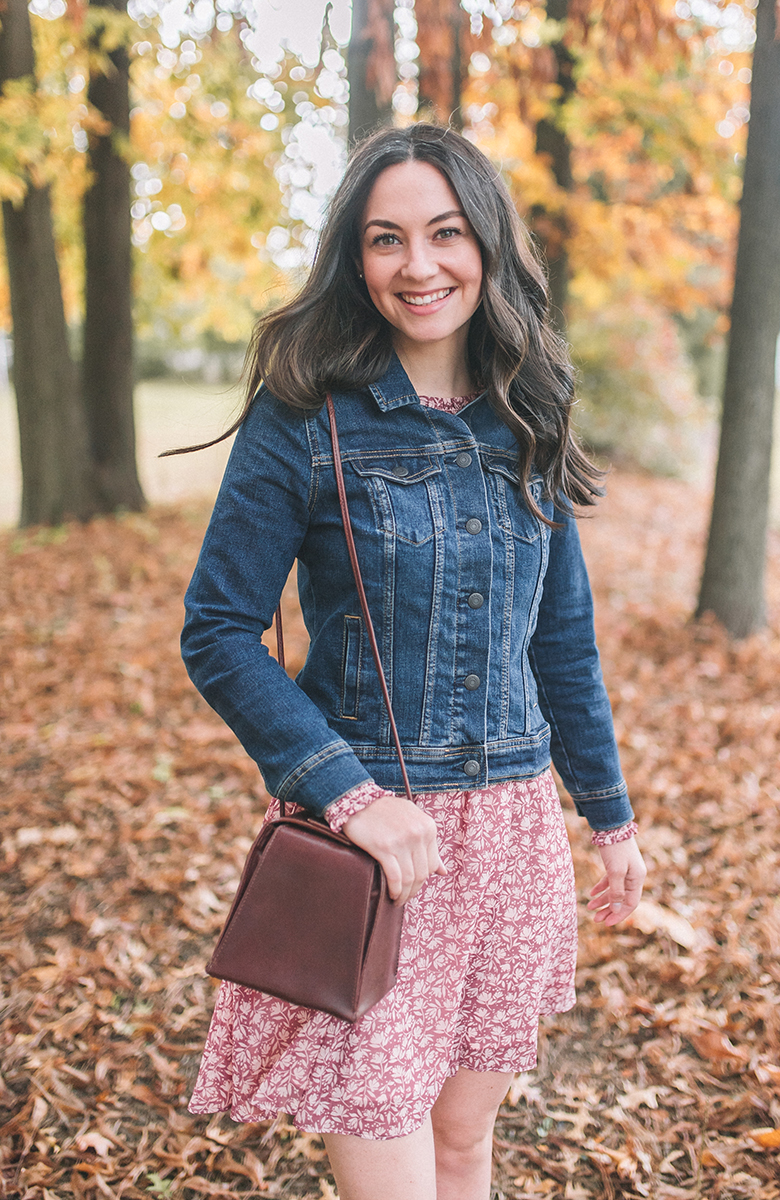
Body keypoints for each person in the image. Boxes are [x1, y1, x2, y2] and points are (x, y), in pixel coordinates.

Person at [180, 123, 646, 1200]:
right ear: (356, 259)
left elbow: (559, 640)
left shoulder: (528, 413)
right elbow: (216, 629)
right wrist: (346, 796)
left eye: (443, 233)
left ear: (484, 242)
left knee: (459, 1148)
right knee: (387, 1146)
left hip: (513, 844)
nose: (418, 265)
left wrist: (609, 816)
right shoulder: (304, 420)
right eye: (385, 240)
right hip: (377, 852)